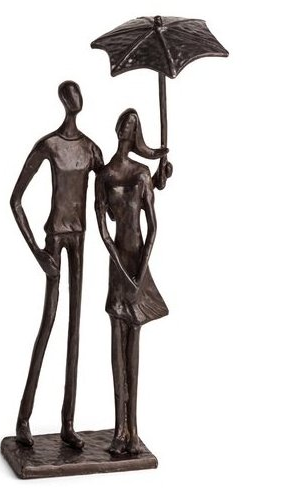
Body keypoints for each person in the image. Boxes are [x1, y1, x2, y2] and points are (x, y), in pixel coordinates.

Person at [10, 81, 103, 449]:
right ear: (65, 101)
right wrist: (37, 252)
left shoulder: (91, 149)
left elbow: (116, 186)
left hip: (81, 238)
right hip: (55, 237)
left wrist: (156, 176)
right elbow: (15, 200)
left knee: (75, 327)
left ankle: (68, 422)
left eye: (79, 94)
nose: (77, 100)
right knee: (49, 321)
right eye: (72, 94)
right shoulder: (49, 145)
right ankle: (24, 419)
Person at [94, 108, 168, 455]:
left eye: (133, 124)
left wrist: (141, 269)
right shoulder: (105, 175)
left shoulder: (141, 174)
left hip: (137, 260)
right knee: (116, 343)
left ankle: (133, 429)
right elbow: (103, 228)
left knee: (133, 343)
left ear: (136, 134)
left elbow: (152, 226)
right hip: (117, 263)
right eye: (125, 121)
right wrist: (120, 266)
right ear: (117, 128)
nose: (127, 126)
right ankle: (119, 428)